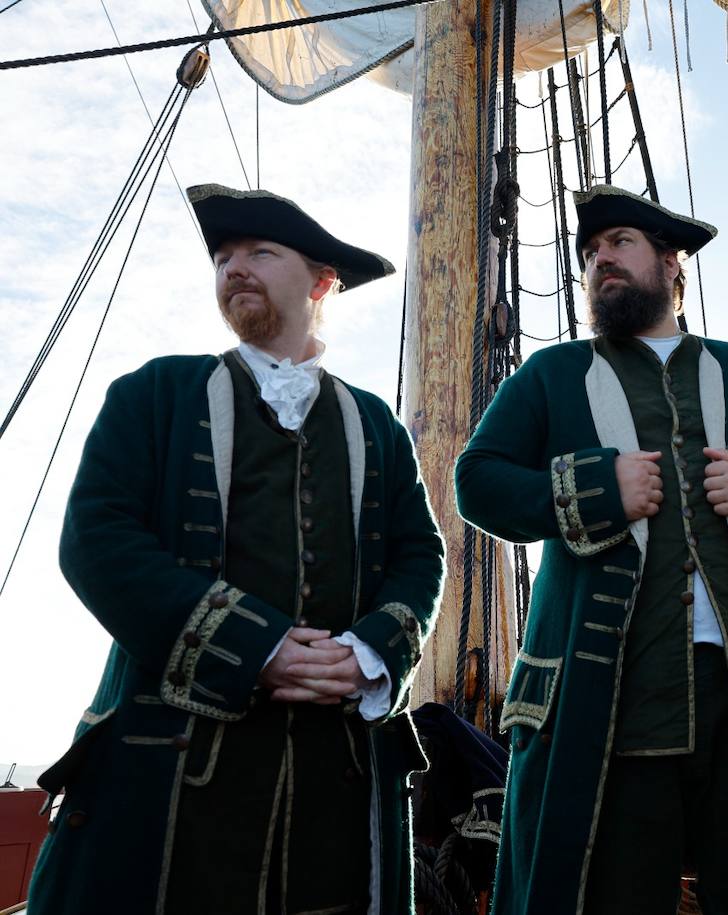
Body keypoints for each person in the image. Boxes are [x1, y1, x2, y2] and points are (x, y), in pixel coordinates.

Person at [28, 184, 445, 915]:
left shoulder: (375, 423)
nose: (234, 268)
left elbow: (421, 556)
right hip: (172, 789)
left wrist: (367, 655)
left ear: (321, 282)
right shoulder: (153, 394)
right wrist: (259, 648)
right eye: (223, 257)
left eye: (259, 251)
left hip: (334, 787)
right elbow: (95, 539)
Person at [454, 184, 728, 915]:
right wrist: (594, 486)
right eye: (589, 254)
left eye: (619, 243)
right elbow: (477, 483)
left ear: (673, 264)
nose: (599, 261)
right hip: (608, 700)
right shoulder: (551, 377)